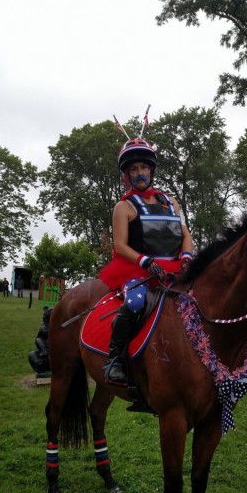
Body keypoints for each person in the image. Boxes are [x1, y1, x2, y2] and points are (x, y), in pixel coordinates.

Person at [99, 138, 194, 385]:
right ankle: (115, 359)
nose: (140, 173)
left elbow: (185, 234)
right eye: (134, 169)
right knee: (135, 302)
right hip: (138, 267)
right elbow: (120, 245)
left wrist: (186, 258)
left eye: (143, 167)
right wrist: (147, 262)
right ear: (127, 175)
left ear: (151, 169)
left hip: (175, 267)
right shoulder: (123, 206)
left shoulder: (171, 202)